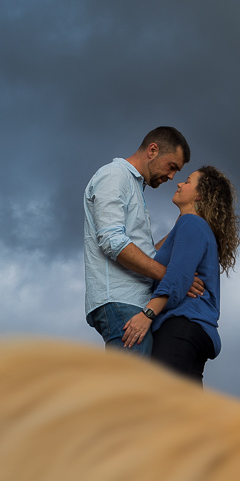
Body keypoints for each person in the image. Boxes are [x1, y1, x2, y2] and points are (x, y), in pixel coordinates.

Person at [82, 126, 204, 356]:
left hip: (133, 303)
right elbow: (112, 241)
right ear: (153, 150)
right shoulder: (114, 175)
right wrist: (175, 279)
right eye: (171, 167)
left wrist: (183, 222)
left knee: (137, 387)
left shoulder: (134, 185)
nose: (171, 177)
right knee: (130, 389)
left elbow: (143, 252)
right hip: (121, 302)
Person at [122, 166, 240, 384]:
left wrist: (147, 315)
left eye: (187, 181)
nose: (179, 183)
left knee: (162, 406)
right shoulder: (190, 225)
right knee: (186, 415)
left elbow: (177, 278)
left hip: (181, 327)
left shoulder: (192, 223)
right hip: (196, 331)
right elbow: (154, 258)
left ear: (200, 194)